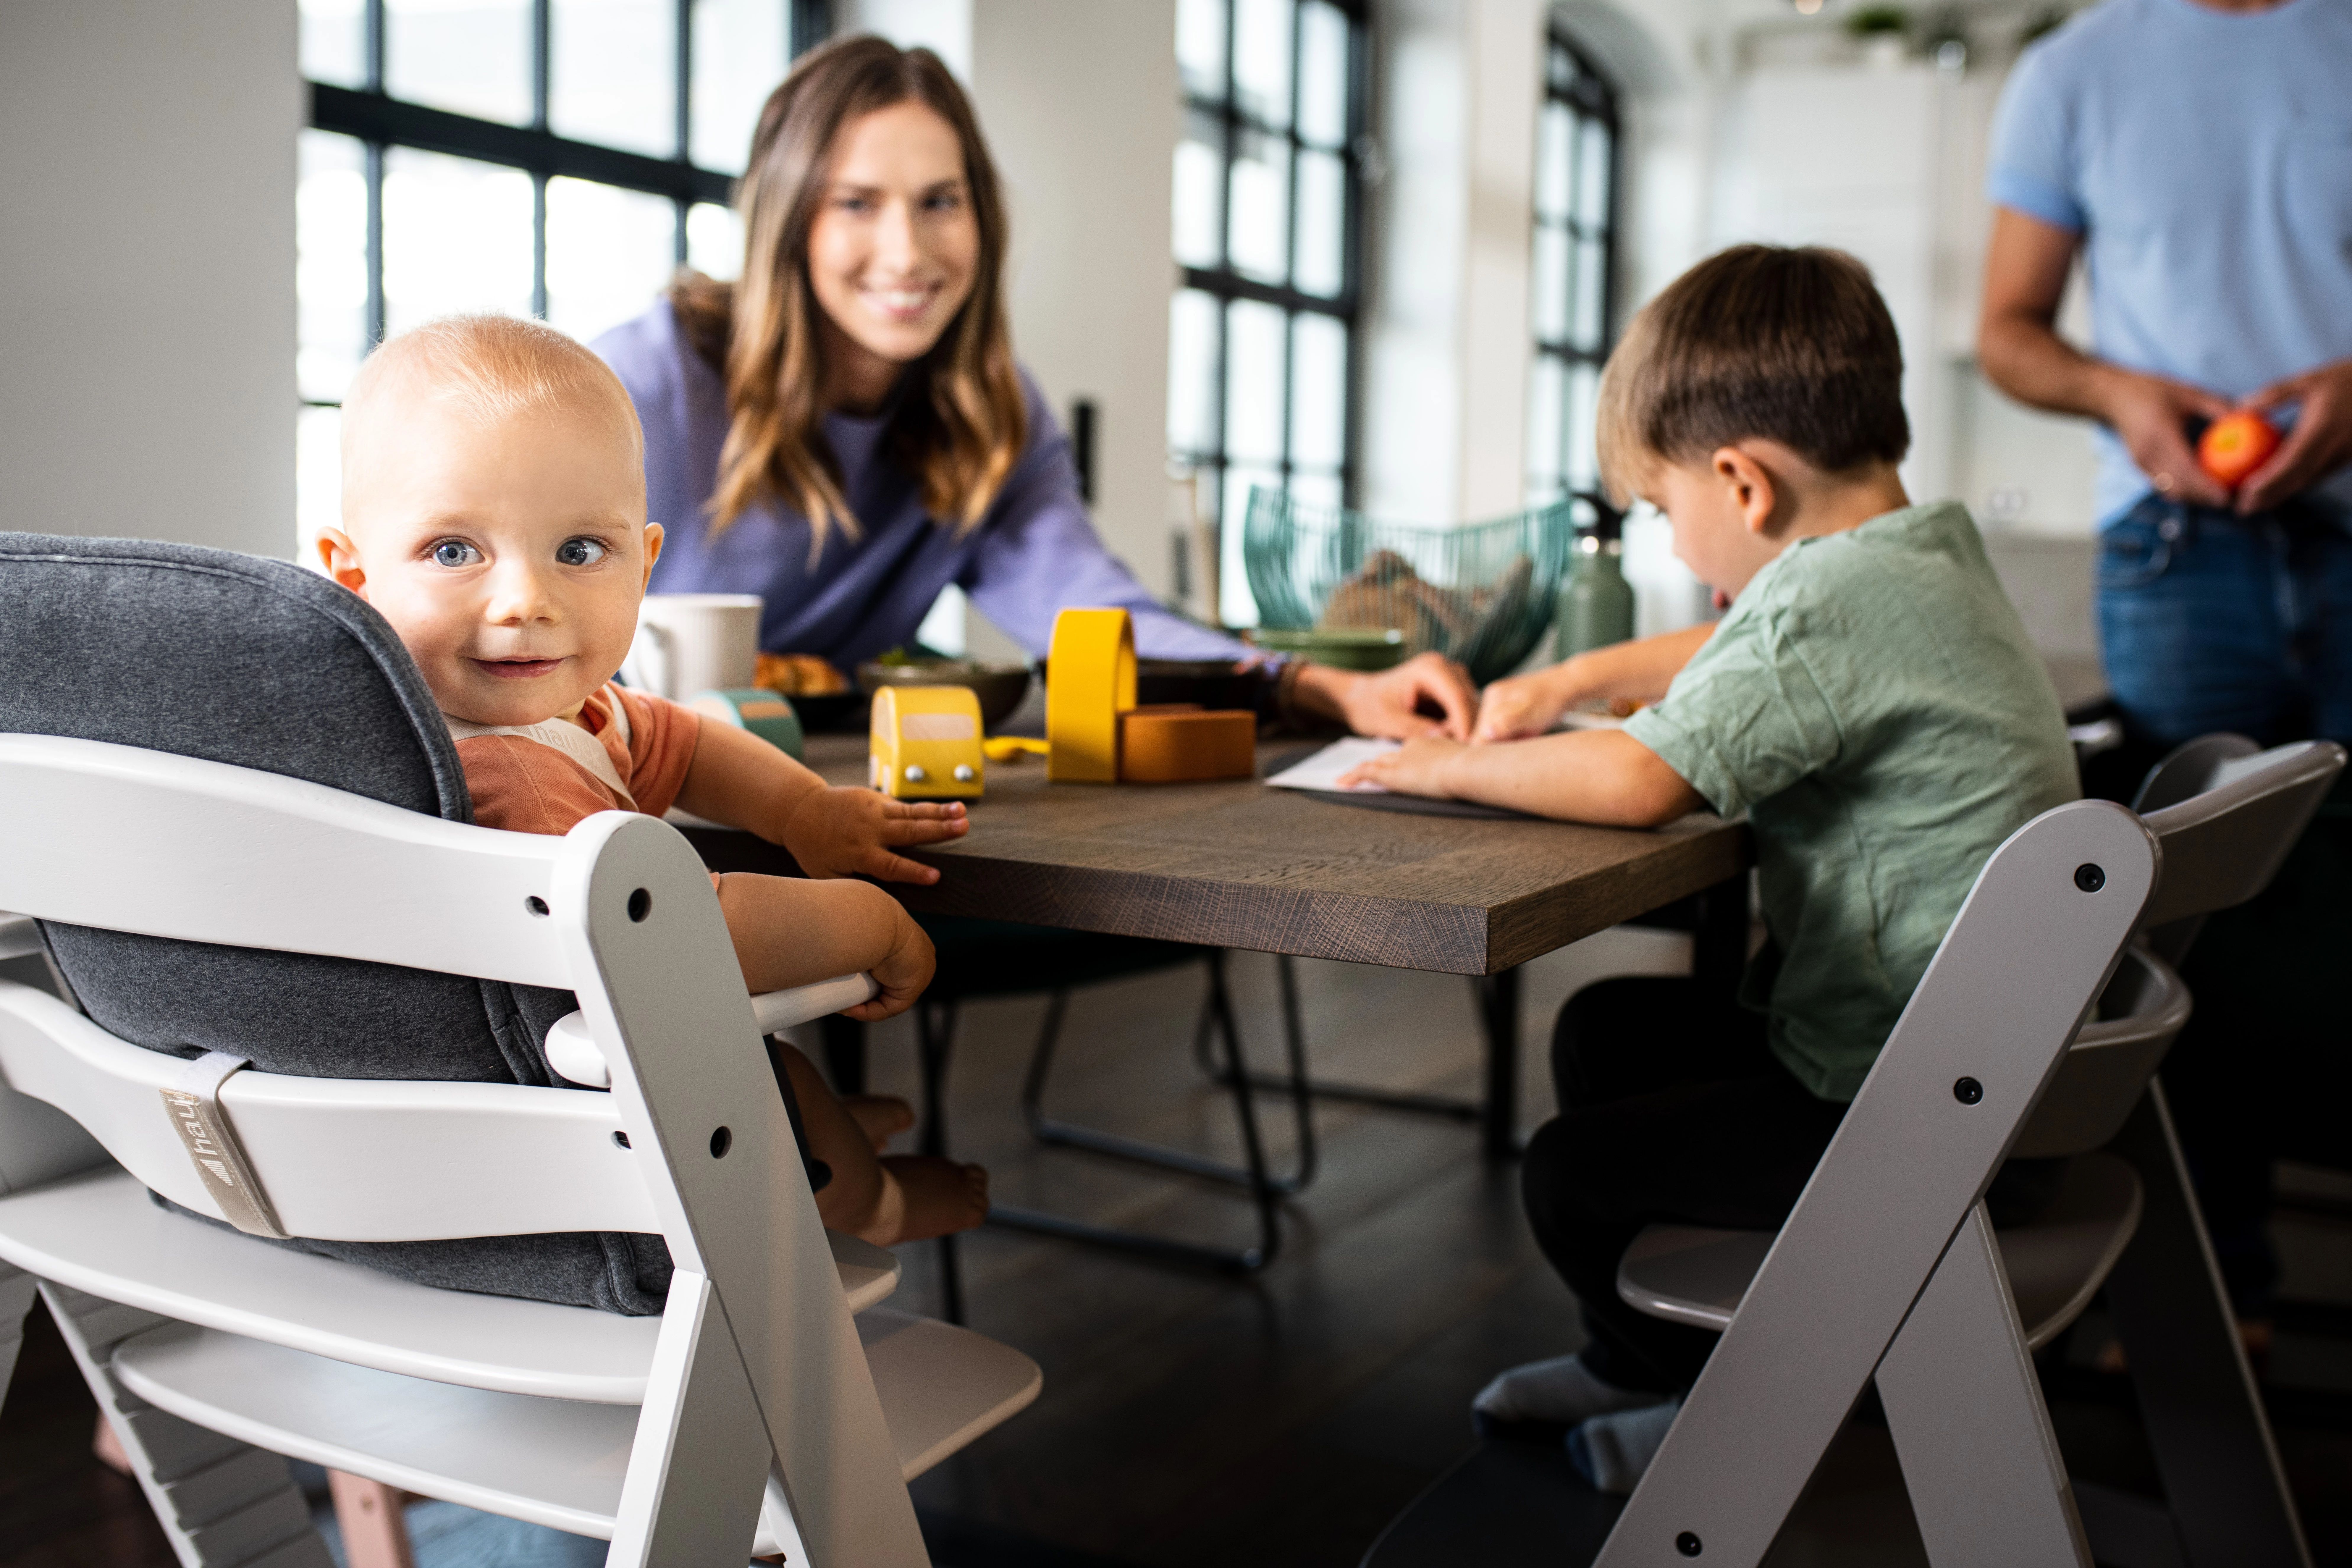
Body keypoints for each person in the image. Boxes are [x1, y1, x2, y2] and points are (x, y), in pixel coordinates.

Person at [1345, 246, 2078, 1492]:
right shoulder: (1920, 557)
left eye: (1662, 511)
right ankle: (1639, 1363)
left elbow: (1639, 783)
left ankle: (1715, 1419)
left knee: (1573, 1175)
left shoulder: (1827, 605)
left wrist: (1431, 771)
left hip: (1913, 1114)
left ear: (1742, 483)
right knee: (1612, 1032)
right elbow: (1751, 635)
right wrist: (1574, 680)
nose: (1677, 548)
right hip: (1991, 1078)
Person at [316, 312, 988, 1248]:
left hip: (570, 1068)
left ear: (646, 566)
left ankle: (822, 1140)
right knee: (767, 1077)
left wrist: (802, 810)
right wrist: (870, 922)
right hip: (557, 1126)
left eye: (580, 551)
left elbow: (684, 739)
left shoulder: (562, 714)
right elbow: (680, 939)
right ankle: (866, 1199)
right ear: (351, 577)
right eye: (454, 551)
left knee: (756, 1065)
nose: (526, 602)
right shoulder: (510, 776)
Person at [591, 35, 1474, 741]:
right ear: (788, 224)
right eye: (856, 203)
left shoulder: (987, 417)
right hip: (613, 788)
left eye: (940, 201)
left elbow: (1094, 614)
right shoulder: (642, 382)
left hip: (818, 799)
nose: (907, 252)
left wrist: (1326, 690)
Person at [1976, 0, 2352, 1329]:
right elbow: (2012, 328)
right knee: (2191, 917)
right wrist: (2124, 394)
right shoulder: (2076, 67)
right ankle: (2213, 1288)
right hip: (2174, 551)